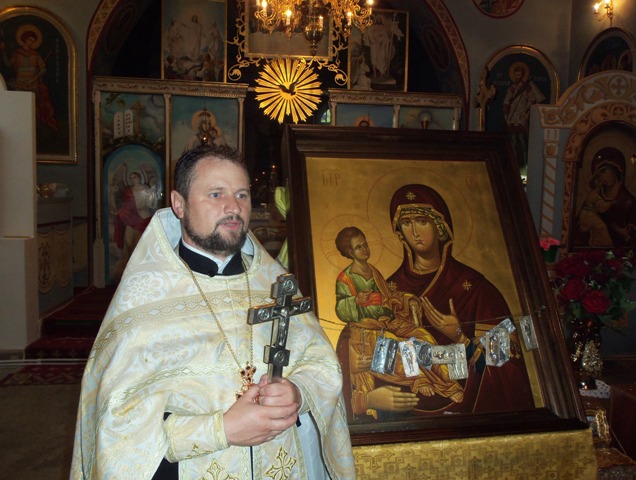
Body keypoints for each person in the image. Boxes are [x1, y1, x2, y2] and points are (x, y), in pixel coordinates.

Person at [71, 144, 355, 479]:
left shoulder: (275, 286)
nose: (234, 207)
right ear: (179, 204)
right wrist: (221, 430)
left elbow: (321, 366)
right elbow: (117, 427)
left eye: (242, 195)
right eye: (216, 194)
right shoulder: (144, 304)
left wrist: (297, 393)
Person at [374, 184, 534, 416]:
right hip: (402, 409)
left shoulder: (476, 289)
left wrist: (459, 337)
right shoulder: (388, 291)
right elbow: (374, 358)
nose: (414, 232)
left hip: (467, 409)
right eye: (406, 223)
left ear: (440, 227)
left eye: (422, 221)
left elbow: (508, 366)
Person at [333, 226, 463, 421]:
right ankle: (418, 380)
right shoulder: (346, 278)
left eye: (365, 244)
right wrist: (355, 301)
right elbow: (340, 308)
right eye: (359, 247)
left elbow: (388, 297)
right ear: (350, 252)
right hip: (367, 331)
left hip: (388, 322)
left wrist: (406, 299)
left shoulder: (373, 271)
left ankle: (449, 383)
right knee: (399, 345)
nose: (365, 249)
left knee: (423, 336)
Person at [576, 147, 636, 248]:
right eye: (598, 174)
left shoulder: (629, 203)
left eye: (603, 171)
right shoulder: (594, 198)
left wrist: (625, 234)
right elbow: (578, 231)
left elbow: (635, 239)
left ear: (617, 170)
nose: (600, 176)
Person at [112, 169, 160, 276]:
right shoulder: (129, 191)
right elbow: (126, 205)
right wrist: (120, 211)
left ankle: (141, 266)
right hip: (131, 218)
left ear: (139, 178)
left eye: (134, 177)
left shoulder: (145, 189)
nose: (132, 180)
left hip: (143, 218)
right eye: (131, 178)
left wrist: (152, 192)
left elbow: (151, 204)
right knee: (128, 240)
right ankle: (128, 264)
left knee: (141, 243)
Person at [502, 61, 545, 177]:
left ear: (522, 75)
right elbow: (506, 103)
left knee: (523, 143)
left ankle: (526, 166)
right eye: (515, 75)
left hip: (522, 118)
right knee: (513, 142)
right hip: (513, 118)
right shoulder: (511, 89)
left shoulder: (527, 88)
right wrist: (506, 116)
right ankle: (513, 165)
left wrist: (526, 113)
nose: (517, 77)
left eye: (519, 75)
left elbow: (533, 101)